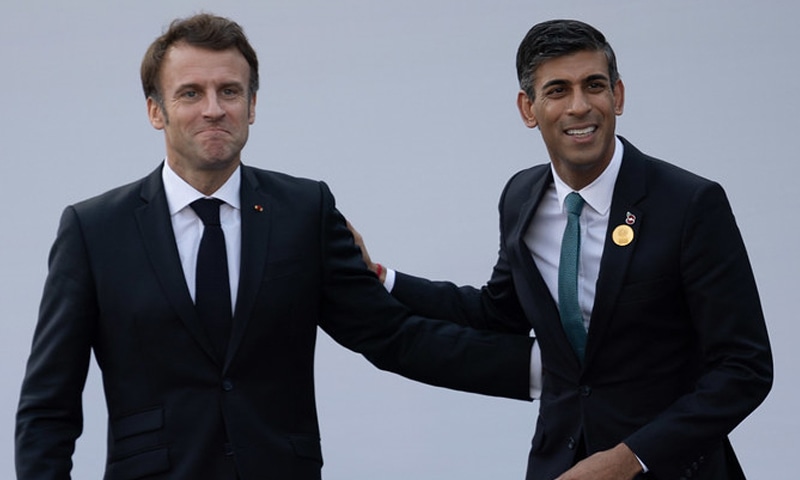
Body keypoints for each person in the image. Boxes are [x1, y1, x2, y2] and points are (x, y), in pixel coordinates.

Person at [14, 14, 536, 480]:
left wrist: (546, 370)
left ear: (253, 105)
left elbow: (395, 337)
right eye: (190, 93)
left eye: (230, 91)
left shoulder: (304, 212)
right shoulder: (94, 229)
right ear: (156, 111)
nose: (214, 110)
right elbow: (48, 406)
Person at [351, 19, 773, 480]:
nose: (579, 106)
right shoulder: (520, 198)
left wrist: (628, 459)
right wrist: (380, 276)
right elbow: (497, 313)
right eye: (557, 90)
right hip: (560, 463)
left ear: (619, 96)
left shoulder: (690, 203)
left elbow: (744, 368)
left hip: (672, 468)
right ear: (527, 108)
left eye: (594, 85)